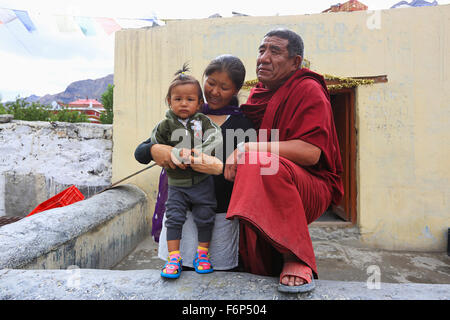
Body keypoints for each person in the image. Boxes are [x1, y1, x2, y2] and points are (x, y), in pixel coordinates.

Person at [224, 28, 344, 293]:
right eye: (261, 50)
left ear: (295, 62)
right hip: (270, 177)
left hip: (310, 184)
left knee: (259, 162)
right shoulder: (258, 94)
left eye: (275, 51)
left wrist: (248, 148)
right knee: (250, 166)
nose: (263, 58)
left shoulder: (308, 89)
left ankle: (296, 256)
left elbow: (311, 153)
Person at [134, 55, 254, 271]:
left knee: (218, 281)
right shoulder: (184, 113)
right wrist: (154, 149)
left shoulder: (242, 124)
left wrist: (216, 167)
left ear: (236, 90)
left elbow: (251, 173)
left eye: (224, 87)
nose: (215, 91)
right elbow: (141, 153)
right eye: (211, 83)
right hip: (180, 213)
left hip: (219, 219)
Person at [146, 64, 223, 279]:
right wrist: (167, 154)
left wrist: (199, 153)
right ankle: (174, 258)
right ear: (169, 101)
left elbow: (215, 137)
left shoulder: (203, 122)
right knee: (174, 217)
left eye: (190, 99)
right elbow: (155, 144)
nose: (183, 103)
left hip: (202, 181)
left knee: (205, 216)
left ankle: (202, 255)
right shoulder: (165, 124)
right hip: (177, 184)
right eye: (177, 98)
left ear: (199, 103)